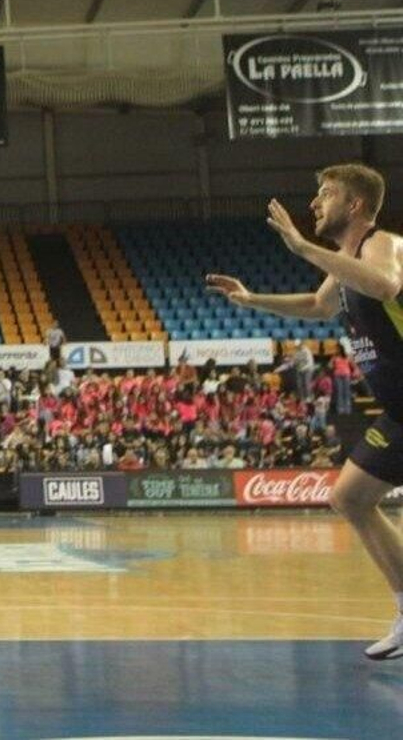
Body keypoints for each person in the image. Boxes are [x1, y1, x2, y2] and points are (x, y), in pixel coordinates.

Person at [207, 163, 403, 663]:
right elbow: (318, 307)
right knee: (351, 498)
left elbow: (384, 285)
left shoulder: (383, 244)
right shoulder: (344, 264)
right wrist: (252, 299)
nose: (315, 203)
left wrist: (301, 247)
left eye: (326, 194)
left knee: (352, 498)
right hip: (399, 411)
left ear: (355, 205)